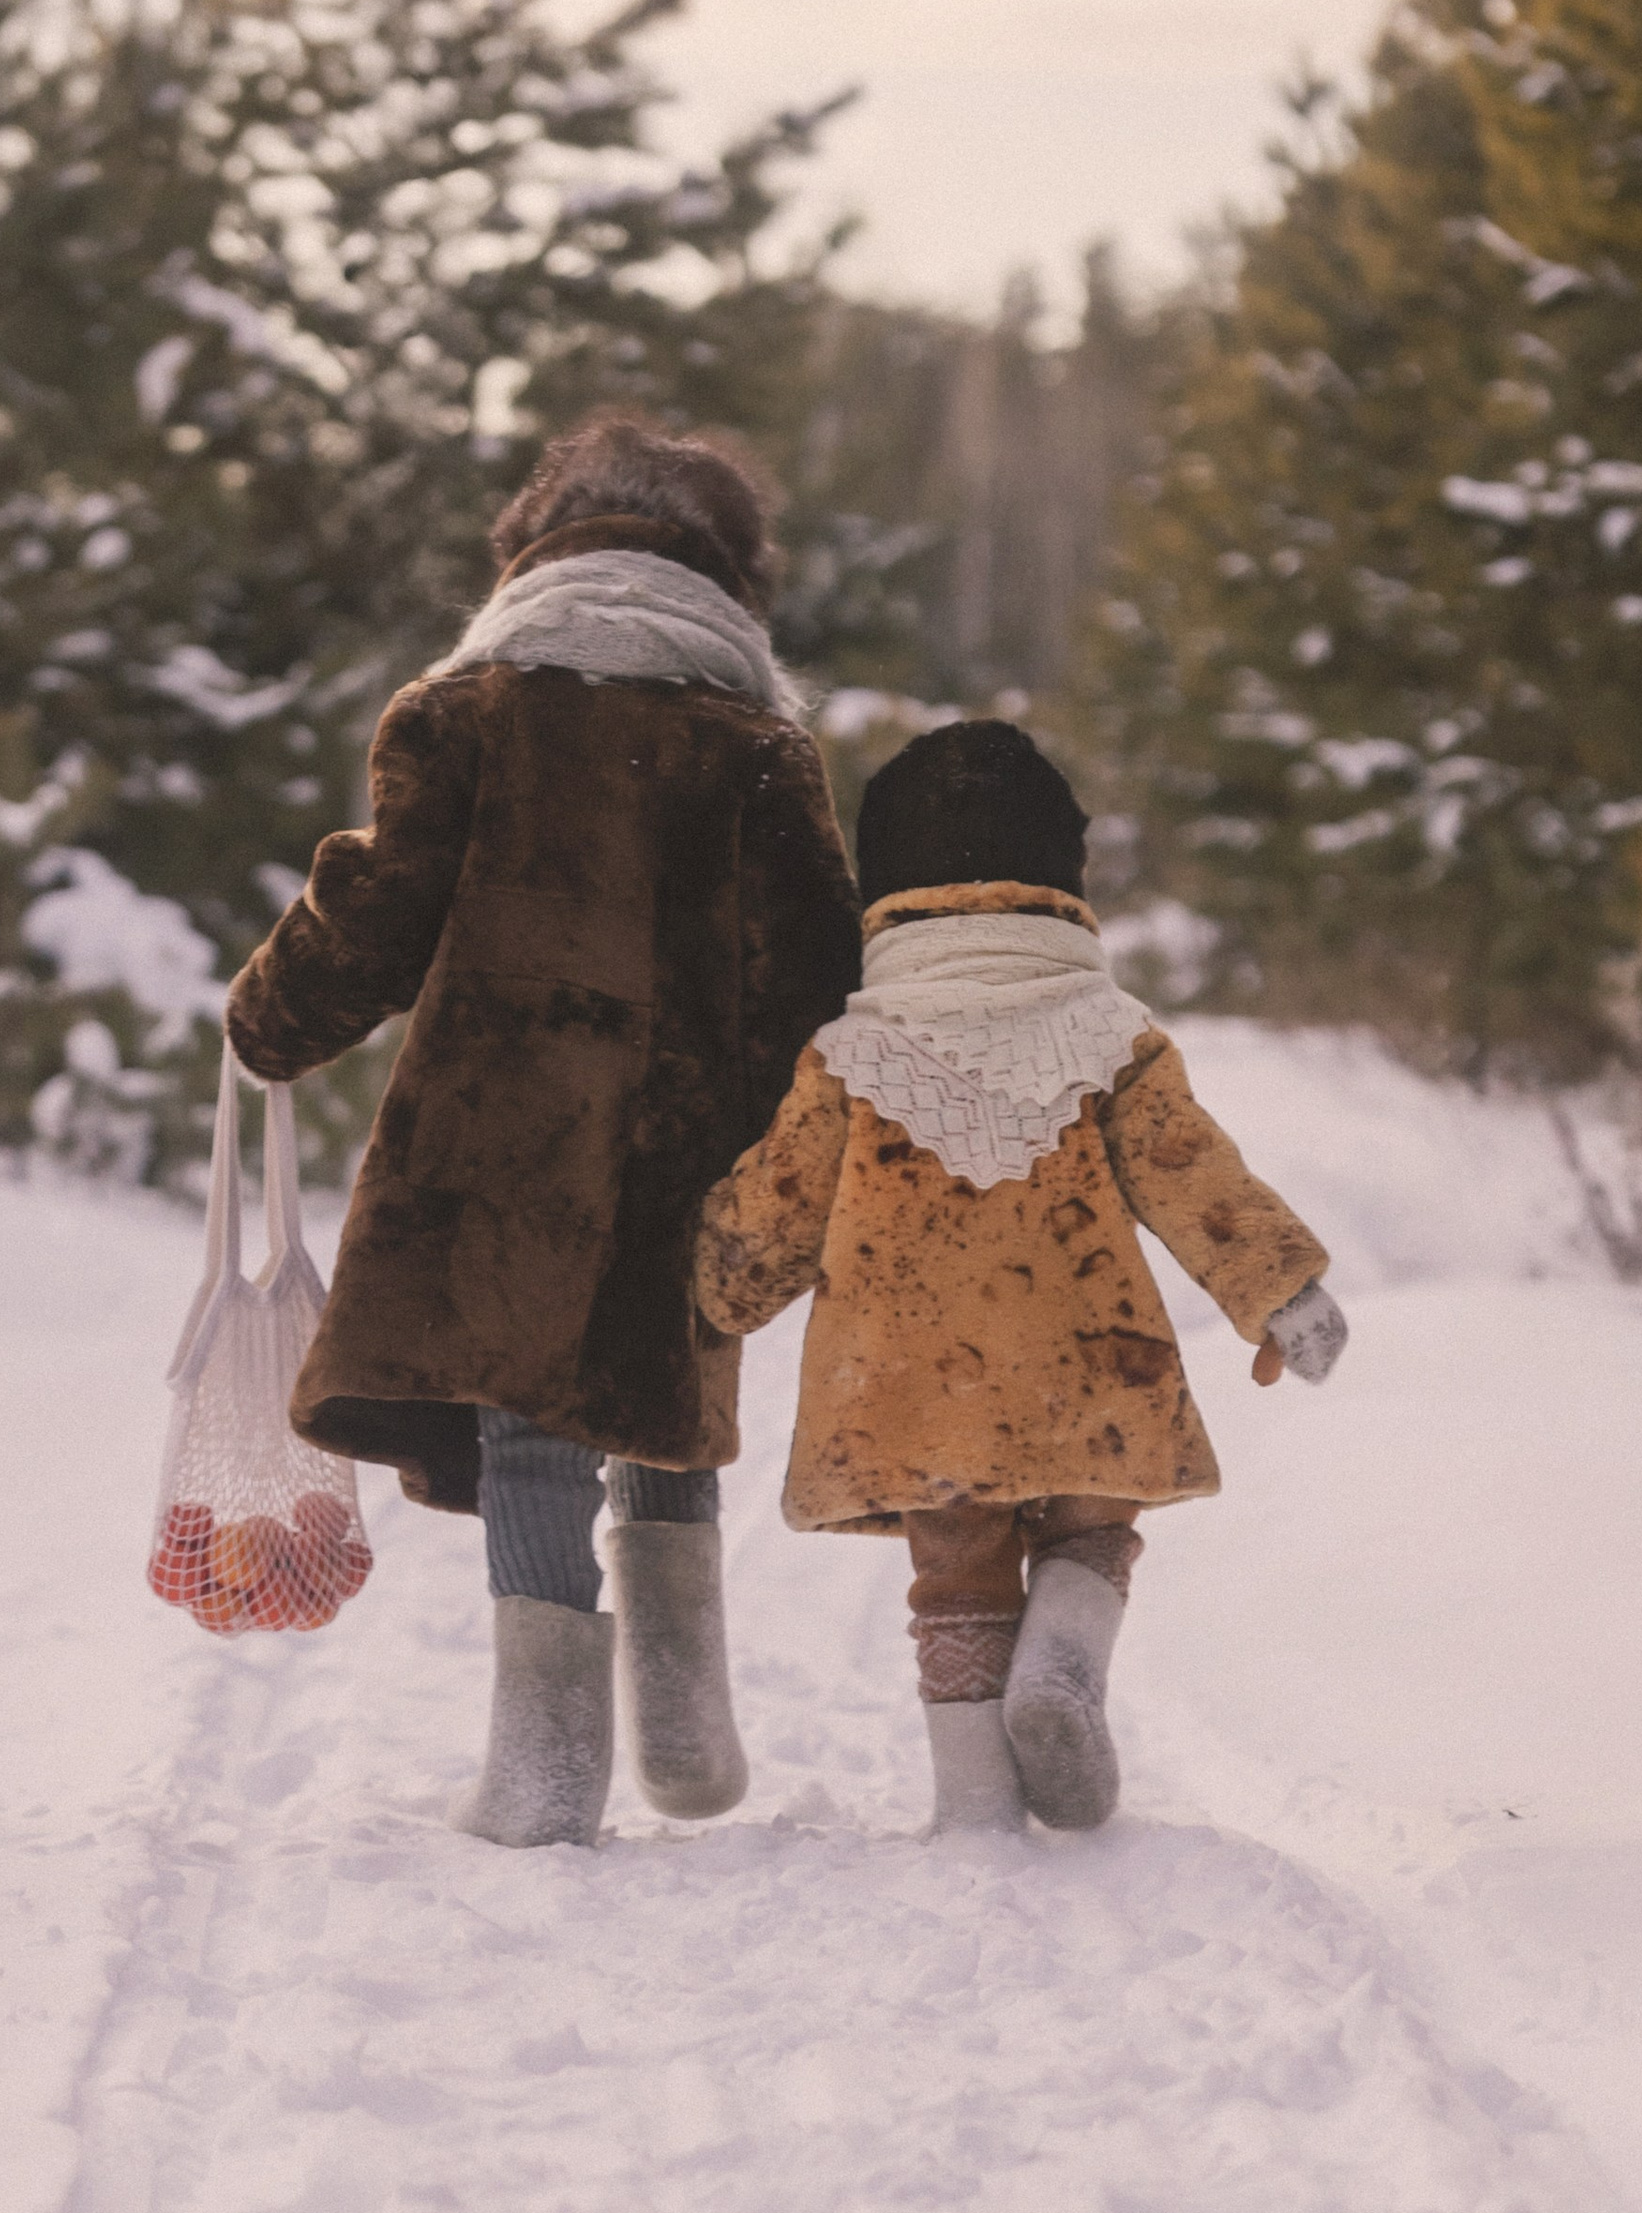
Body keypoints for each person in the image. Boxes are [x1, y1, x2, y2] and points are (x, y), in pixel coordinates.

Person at [223, 413, 861, 1847]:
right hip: (685, 1141)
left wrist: (271, 1016)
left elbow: (376, 909)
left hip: (494, 1136)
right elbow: (823, 973)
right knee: (658, 1397)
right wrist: (793, 1154)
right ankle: (688, 1715)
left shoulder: (467, 711)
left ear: (534, 548)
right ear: (730, 580)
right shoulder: (760, 742)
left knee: (527, 1429)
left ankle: (546, 1763)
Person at [692, 718, 1347, 1835]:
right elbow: (1195, 1177)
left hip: (904, 1385)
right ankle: (1063, 1665)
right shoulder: (1111, 1037)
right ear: (1059, 882)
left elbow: (773, 1220)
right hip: (1087, 1362)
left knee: (953, 1577)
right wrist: (1283, 1291)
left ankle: (976, 1808)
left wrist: (715, 1286)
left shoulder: (850, 1055)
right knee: (1092, 1528)